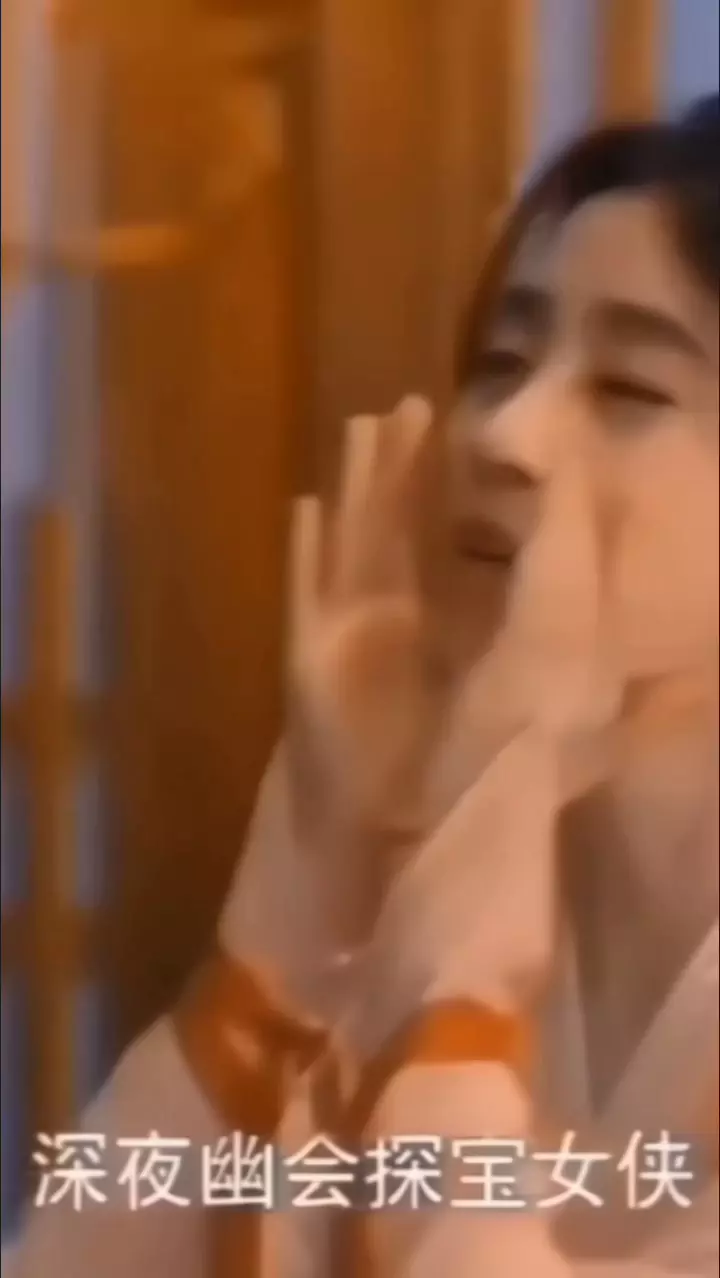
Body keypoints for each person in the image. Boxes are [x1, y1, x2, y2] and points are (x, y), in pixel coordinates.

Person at [5, 95, 718, 1277]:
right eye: (504, 364)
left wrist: (467, 927)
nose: (505, 435)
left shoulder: (460, 925)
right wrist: (302, 885)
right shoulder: (443, 921)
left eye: (628, 389)